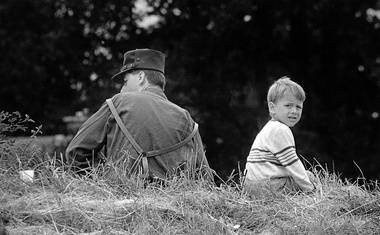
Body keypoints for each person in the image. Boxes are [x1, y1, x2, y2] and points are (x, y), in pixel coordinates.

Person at [66, 48, 213, 181]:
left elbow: (76, 151)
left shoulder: (120, 101)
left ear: (141, 77)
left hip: (122, 204)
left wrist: (100, 185)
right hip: (171, 207)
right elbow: (205, 179)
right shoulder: (186, 118)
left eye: (125, 82)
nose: (122, 89)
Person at [244, 76, 317, 196]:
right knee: (309, 177)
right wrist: (310, 189)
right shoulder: (280, 130)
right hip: (269, 187)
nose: (294, 111)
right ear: (272, 108)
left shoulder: (270, 128)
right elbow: (293, 165)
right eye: (288, 105)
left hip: (252, 187)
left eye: (298, 107)